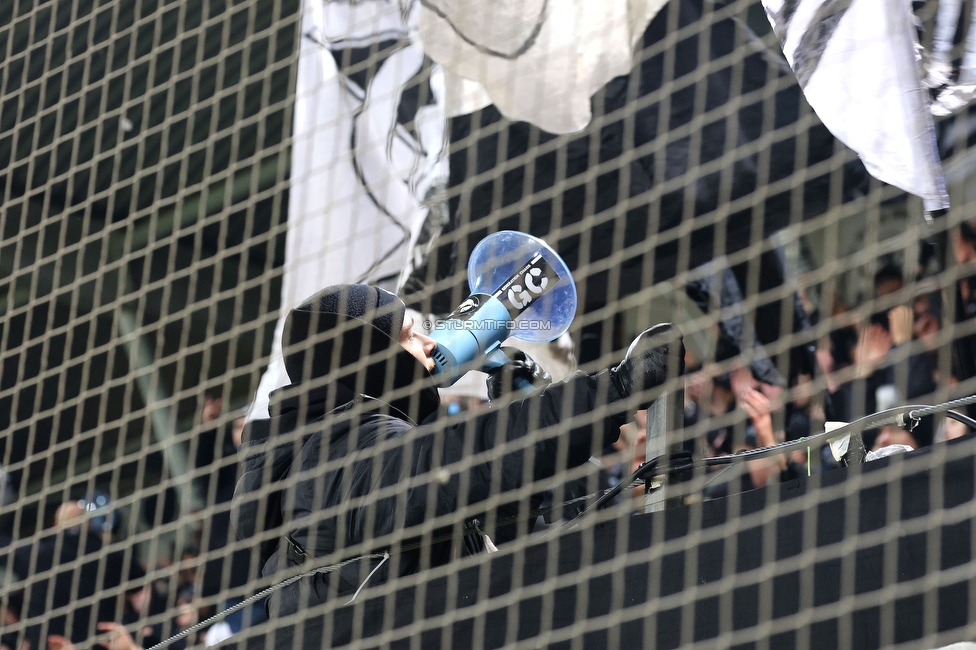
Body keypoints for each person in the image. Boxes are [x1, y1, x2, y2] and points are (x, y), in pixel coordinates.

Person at [232, 284, 682, 647]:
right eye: (409, 334)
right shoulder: (343, 453)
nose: (429, 344)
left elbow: (533, 542)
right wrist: (617, 389)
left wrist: (521, 401)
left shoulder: (338, 449)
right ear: (363, 356)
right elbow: (475, 460)